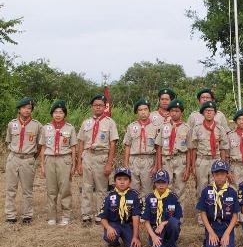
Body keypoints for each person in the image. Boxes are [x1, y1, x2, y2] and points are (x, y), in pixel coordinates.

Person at [77, 94, 119, 224]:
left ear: (104, 107)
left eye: (100, 105)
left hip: (101, 156)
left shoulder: (110, 123)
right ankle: (86, 214)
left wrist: (109, 164)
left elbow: (113, 144)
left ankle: (100, 214)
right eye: (95, 105)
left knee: (101, 189)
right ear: (92, 107)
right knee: (86, 187)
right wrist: (79, 162)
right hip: (87, 156)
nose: (97, 108)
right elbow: (81, 143)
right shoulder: (86, 122)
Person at [39, 100, 77, 226]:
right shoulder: (46, 128)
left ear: (64, 114)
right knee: (51, 189)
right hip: (50, 159)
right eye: (55, 112)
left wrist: (73, 165)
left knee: (65, 188)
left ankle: (66, 216)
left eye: (61, 112)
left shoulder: (70, 128)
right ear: (52, 114)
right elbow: (43, 148)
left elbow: (73, 148)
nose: (58, 114)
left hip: (64, 160)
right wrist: (42, 165)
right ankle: (52, 216)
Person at [4, 97, 42, 224]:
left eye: (29, 108)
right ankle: (10, 215)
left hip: (28, 160)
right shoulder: (12, 124)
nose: (27, 110)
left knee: (27, 190)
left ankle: (27, 215)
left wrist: (31, 158)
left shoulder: (37, 125)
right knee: (10, 188)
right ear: (19, 109)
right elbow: (8, 140)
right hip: (13, 158)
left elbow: (39, 145)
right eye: (24, 108)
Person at [196, 160, 240, 247]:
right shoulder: (206, 191)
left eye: (222, 174)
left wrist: (227, 233)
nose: (220, 177)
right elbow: (202, 213)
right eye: (217, 174)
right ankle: (208, 238)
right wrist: (211, 232)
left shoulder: (232, 192)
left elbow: (235, 215)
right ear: (213, 175)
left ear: (227, 175)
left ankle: (229, 236)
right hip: (212, 226)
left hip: (226, 226)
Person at [155, 98, 190, 213]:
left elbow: (189, 150)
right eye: (172, 111)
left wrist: (188, 168)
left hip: (180, 160)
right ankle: (166, 212)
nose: (174, 113)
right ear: (169, 112)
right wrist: (159, 166)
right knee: (166, 186)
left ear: (181, 113)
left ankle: (179, 214)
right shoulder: (163, 126)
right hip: (166, 160)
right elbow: (159, 147)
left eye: (177, 111)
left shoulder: (187, 128)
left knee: (180, 188)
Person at [189, 101, 229, 199]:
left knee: (217, 186)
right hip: (201, 160)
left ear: (215, 113)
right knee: (201, 188)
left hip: (216, 160)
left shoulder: (220, 129)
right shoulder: (197, 128)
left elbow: (223, 148)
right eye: (206, 111)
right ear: (203, 113)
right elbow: (193, 148)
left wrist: (223, 164)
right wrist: (193, 165)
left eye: (211, 111)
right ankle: (200, 213)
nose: (209, 113)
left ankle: (215, 211)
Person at [98, 168, 142, 247]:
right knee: (110, 237)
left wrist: (135, 237)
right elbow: (103, 218)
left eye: (125, 179)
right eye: (119, 179)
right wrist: (108, 228)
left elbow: (136, 217)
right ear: (115, 181)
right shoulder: (110, 196)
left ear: (130, 181)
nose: (122, 182)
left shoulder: (135, 196)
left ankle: (127, 238)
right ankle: (114, 242)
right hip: (114, 224)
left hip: (128, 225)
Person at [123, 98, 159, 197]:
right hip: (134, 160)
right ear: (137, 112)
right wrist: (126, 164)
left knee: (147, 190)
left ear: (149, 111)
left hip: (149, 160)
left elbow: (158, 148)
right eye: (140, 110)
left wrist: (156, 165)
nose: (143, 112)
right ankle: (134, 211)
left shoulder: (155, 127)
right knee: (133, 189)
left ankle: (146, 211)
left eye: (145, 109)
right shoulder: (131, 127)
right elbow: (127, 145)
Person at [142, 170, 182, 247]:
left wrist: (163, 224)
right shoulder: (149, 198)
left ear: (168, 183)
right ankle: (161, 245)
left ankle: (171, 243)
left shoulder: (173, 197)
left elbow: (177, 218)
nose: (161, 185)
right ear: (154, 183)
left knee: (174, 222)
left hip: (168, 227)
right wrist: (153, 236)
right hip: (155, 230)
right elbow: (146, 221)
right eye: (158, 182)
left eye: (163, 182)